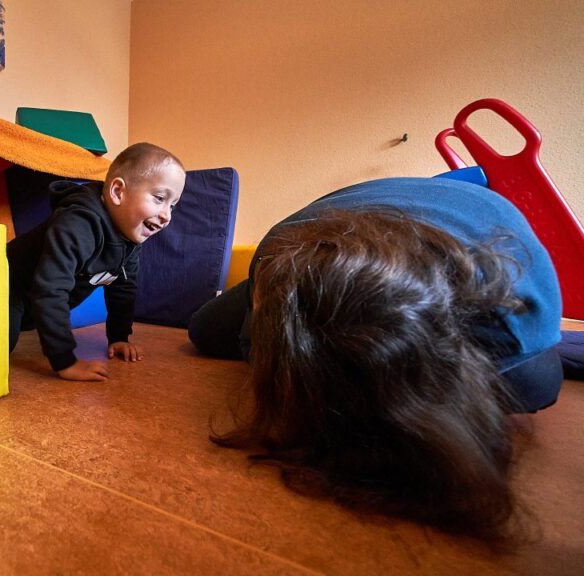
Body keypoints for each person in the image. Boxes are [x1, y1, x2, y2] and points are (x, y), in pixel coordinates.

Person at [188, 176, 563, 546]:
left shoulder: (510, 321)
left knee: (531, 386)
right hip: (325, 226)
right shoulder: (277, 258)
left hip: (457, 219)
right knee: (206, 330)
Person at [8, 142, 186, 381]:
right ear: (117, 192)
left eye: (172, 205)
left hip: (33, 299)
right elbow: (51, 289)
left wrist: (119, 337)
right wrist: (65, 361)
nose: (167, 215)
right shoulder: (78, 223)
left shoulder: (129, 239)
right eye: (159, 198)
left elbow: (123, 288)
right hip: (5, 286)